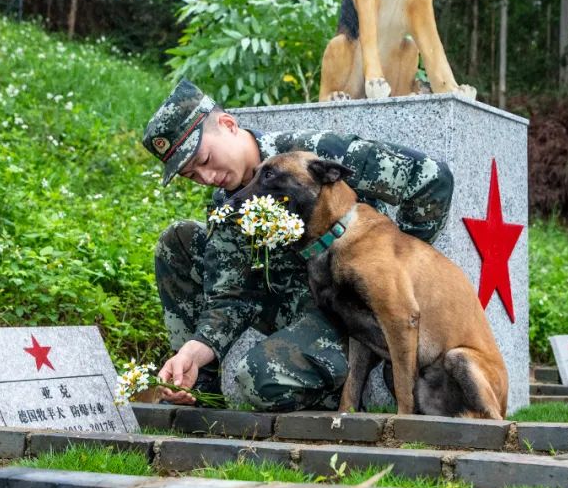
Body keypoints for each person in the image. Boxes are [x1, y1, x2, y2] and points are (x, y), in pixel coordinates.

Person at [141, 79, 453, 411]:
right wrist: (192, 351)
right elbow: (231, 297)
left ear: (228, 125)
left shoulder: (311, 155)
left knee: (259, 379)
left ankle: (339, 389)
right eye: (192, 175)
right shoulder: (227, 203)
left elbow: (430, 178)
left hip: (345, 311)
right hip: (290, 305)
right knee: (178, 239)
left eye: (204, 159)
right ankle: (198, 390)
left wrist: (394, 274)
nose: (205, 176)